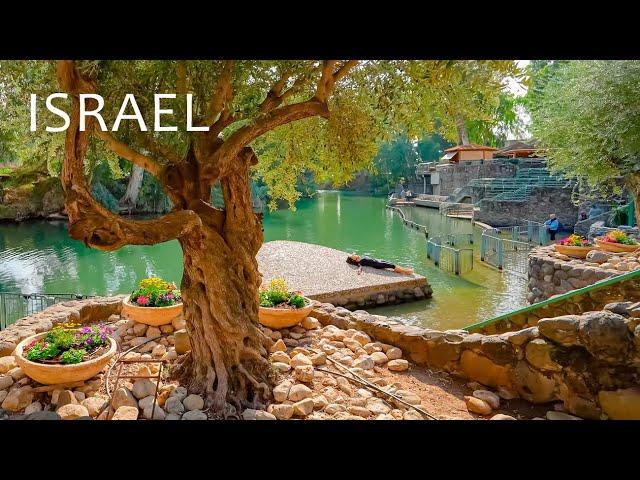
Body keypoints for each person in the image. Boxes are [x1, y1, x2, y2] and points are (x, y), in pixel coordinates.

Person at [346, 253, 414, 276]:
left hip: (378, 261)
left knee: (393, 264)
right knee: (393, 266)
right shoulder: (361, 262)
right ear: (353, 259)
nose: (354, 254)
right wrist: (359, 270)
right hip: (378, 264)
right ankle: (407, 272)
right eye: (353, 256)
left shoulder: (360, 258)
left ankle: (405, 269)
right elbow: (360, 267)